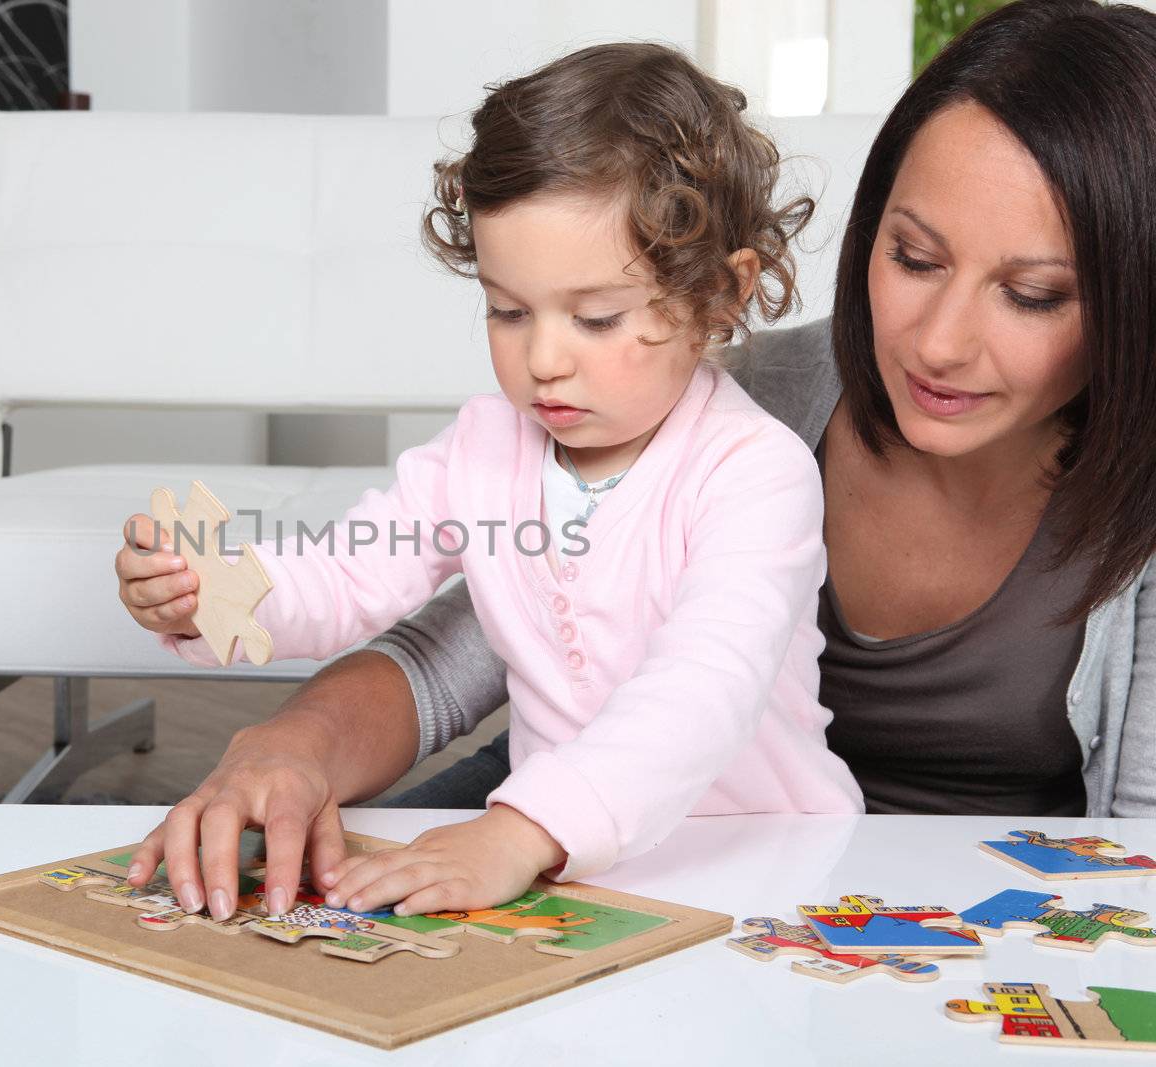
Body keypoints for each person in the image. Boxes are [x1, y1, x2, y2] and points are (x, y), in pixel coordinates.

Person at [116, 0, 1156, 925]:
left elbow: (702, 684)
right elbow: (412, 610)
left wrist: (527, 829)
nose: (936, 342)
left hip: (793, 863)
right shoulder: (605, 409)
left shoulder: (742, 458)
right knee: (297, 919)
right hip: (566, 813)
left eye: (1031, 293)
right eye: (912, 257)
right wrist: (235, 626)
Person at [116, 41, 864, 923]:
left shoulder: (755, 472)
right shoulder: (482, 447)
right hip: (558, 871)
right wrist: (217, 593)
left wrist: (518, 829)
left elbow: (702, 688)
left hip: (760, 869)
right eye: (508, 310)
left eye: (595, 317)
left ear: (721, 295)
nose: (544, 359)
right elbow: (353, 567)